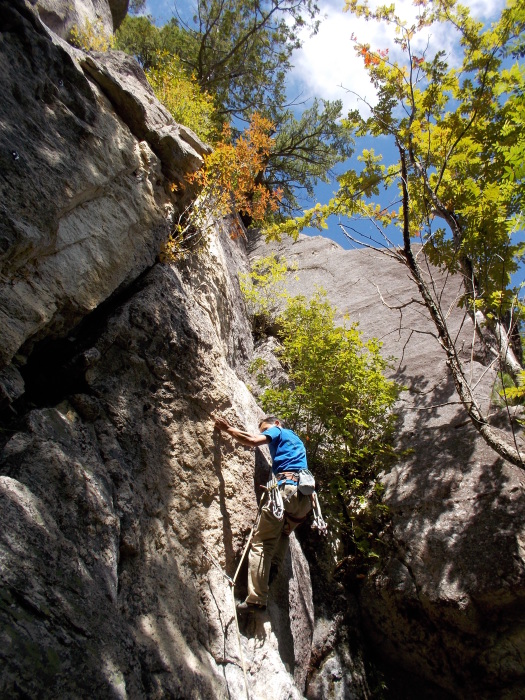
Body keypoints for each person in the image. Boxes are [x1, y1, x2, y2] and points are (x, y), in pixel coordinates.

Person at [214, 415, 313, 611]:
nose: (264, 433)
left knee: (262, 543)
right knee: (283, 533)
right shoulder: (296, 440)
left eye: (265, 429)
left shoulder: (278, 431)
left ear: (276, 424)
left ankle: (257, 599)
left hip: (287, 491)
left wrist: (228, 429)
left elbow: (252, 441)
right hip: (305, 500)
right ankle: (272, 572)